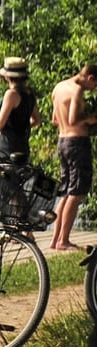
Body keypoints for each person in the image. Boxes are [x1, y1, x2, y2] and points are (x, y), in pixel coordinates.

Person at [49, 64, 97, 251]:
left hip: (62, 142)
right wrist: (91, 119)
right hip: (77, 143)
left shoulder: (59, 87)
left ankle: (55, 240)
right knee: (76, 194)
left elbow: (55, 120)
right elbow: (73, 120)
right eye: (95, 85)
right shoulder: (77, 90)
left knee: (67, 192)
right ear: (91, 78)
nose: (93, 90)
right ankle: (63, 240)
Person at [0, 57, 43, 160]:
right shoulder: (29, 93)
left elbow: (0, 123)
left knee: (0, 173)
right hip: (23, 147)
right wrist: (20, 128)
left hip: (7, 148)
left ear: (7, 77)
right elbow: (36, 120)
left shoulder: (11, 94)